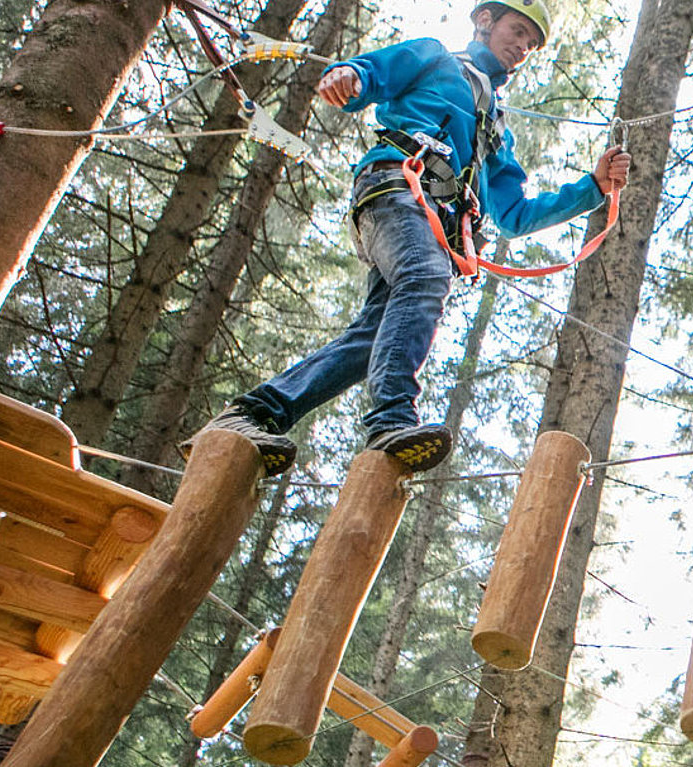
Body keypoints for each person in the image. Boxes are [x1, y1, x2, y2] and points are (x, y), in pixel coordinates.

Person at [181, 0, 631, 476]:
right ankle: (392, 419)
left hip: (432, 222)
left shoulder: (494, 128)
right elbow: (371, 75)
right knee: (424, 277)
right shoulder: (436, 58)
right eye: (517, 31)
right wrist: (349, 76)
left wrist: (594, 187)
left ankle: (250, 414)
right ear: (484, 21)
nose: (522, 47)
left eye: (531, 44)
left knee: (374, 335)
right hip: (396, 187)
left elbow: (514, 215)